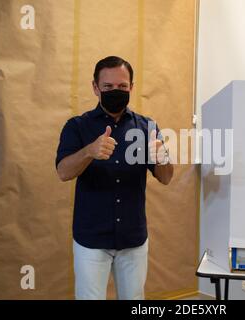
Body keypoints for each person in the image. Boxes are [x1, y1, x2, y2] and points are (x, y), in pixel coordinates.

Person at [55, 56, 174, 300]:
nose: (115, 91)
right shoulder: (77, 126)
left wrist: (161, 157)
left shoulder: (147, 127)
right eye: (108, 87)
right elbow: (63, 172)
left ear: (132, 87)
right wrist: (90, 151)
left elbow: (166, 178)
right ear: (95, 88)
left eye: (122, 86)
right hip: (91, 240)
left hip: (133, 240)